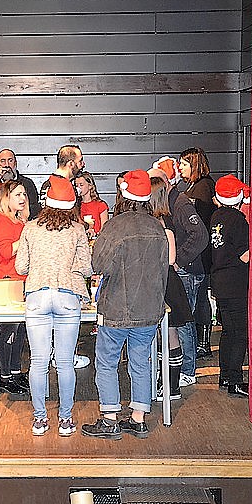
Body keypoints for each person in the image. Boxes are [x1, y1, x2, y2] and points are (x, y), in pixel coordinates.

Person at [82, 170, 168, 440]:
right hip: (149, 309)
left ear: (123, 195)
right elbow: (163, 269)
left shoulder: (115, 226)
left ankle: (109, 419)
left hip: (116, 308)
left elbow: (98, 264)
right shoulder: (158, 228)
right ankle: (138, 419)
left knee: (107, 362)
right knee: (141, 362)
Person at [15, 176, 93, 437]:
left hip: (37, 296)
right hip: (67, 296)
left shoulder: (30, 228)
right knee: (65, 363)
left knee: (38, 362)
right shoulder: (78, 230)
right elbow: (87, 267)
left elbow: (20, 267)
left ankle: (39, 420)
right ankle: (66, 420)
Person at [149, 157, 208, 389]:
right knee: (177, 323)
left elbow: (200, 235)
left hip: (187, 271)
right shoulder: (170, 203)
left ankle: (187, 370)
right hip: (180, 269)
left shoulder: (180, 203)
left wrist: (179, 261)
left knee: (183, 323)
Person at [38, 144, 91, 370]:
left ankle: (60, 354)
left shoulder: (52, 184)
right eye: (80, 161)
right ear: (70, 163)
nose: (82, 164)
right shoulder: (55, 185)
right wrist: (81, 229)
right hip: (60, 262)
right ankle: (62, 355)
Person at [0, 180, 30, 396]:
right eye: (17, 194)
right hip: (4, 280)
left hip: (18, 279)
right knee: (9, 330)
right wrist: (27, 236)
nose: (22, 198)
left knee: (19, 330)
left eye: (24, 194)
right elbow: (6, 251)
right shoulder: (1, 220)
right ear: (6, 198)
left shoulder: (19, 221)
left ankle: (15, 371)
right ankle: (5, 376)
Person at [210, 175, 250, 398]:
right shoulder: (239, 221)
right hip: (236, 283)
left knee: (228, 331)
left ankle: (225, 375)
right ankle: (235, 380)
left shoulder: (216, 216)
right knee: (240, 333)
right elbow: (245, 255)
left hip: (220, 281)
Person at [178, 148, 217, 359]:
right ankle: (201, 342)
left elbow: (200, 222)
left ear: (195, 165)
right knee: (200, 298)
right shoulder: (195, 186)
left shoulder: (203, 187)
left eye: (184, 164)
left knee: (200, 299)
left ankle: (202, 343)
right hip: (199, 253)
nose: (180, 168)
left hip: (200, 255)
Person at [0, 148, 40, 218]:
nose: (7, 165)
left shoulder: (27, 184)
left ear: (15, 163)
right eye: (3, 161)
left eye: (10, 160)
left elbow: (35, 209)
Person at [75, 171, 109, 236]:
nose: (78, 188)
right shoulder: (75, 206)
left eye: (81, 185)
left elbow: (104, 228)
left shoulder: (101, 205)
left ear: (90, 186)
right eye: (76, 185)